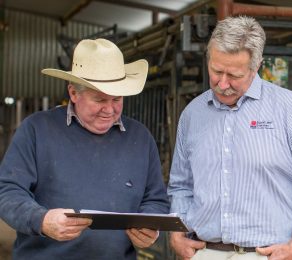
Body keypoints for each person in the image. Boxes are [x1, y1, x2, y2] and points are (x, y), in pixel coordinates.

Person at [167, 16, 292, 260]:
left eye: (234, 75)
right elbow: (180, 185)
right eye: (216, 71)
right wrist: (177, 231)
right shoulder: (192, 114)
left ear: (256, 66)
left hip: (266, 254)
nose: (222, 83)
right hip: (204, 252)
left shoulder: (290, 109)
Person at [0, 38, 170, 259]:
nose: (109, 109)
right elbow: (7, 192)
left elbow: (155, 198)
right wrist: (41, 219)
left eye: (117, 99)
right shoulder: (36, 129)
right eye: (99, 99)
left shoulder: (141, 138)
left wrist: (149, 224)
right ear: (73, 93)